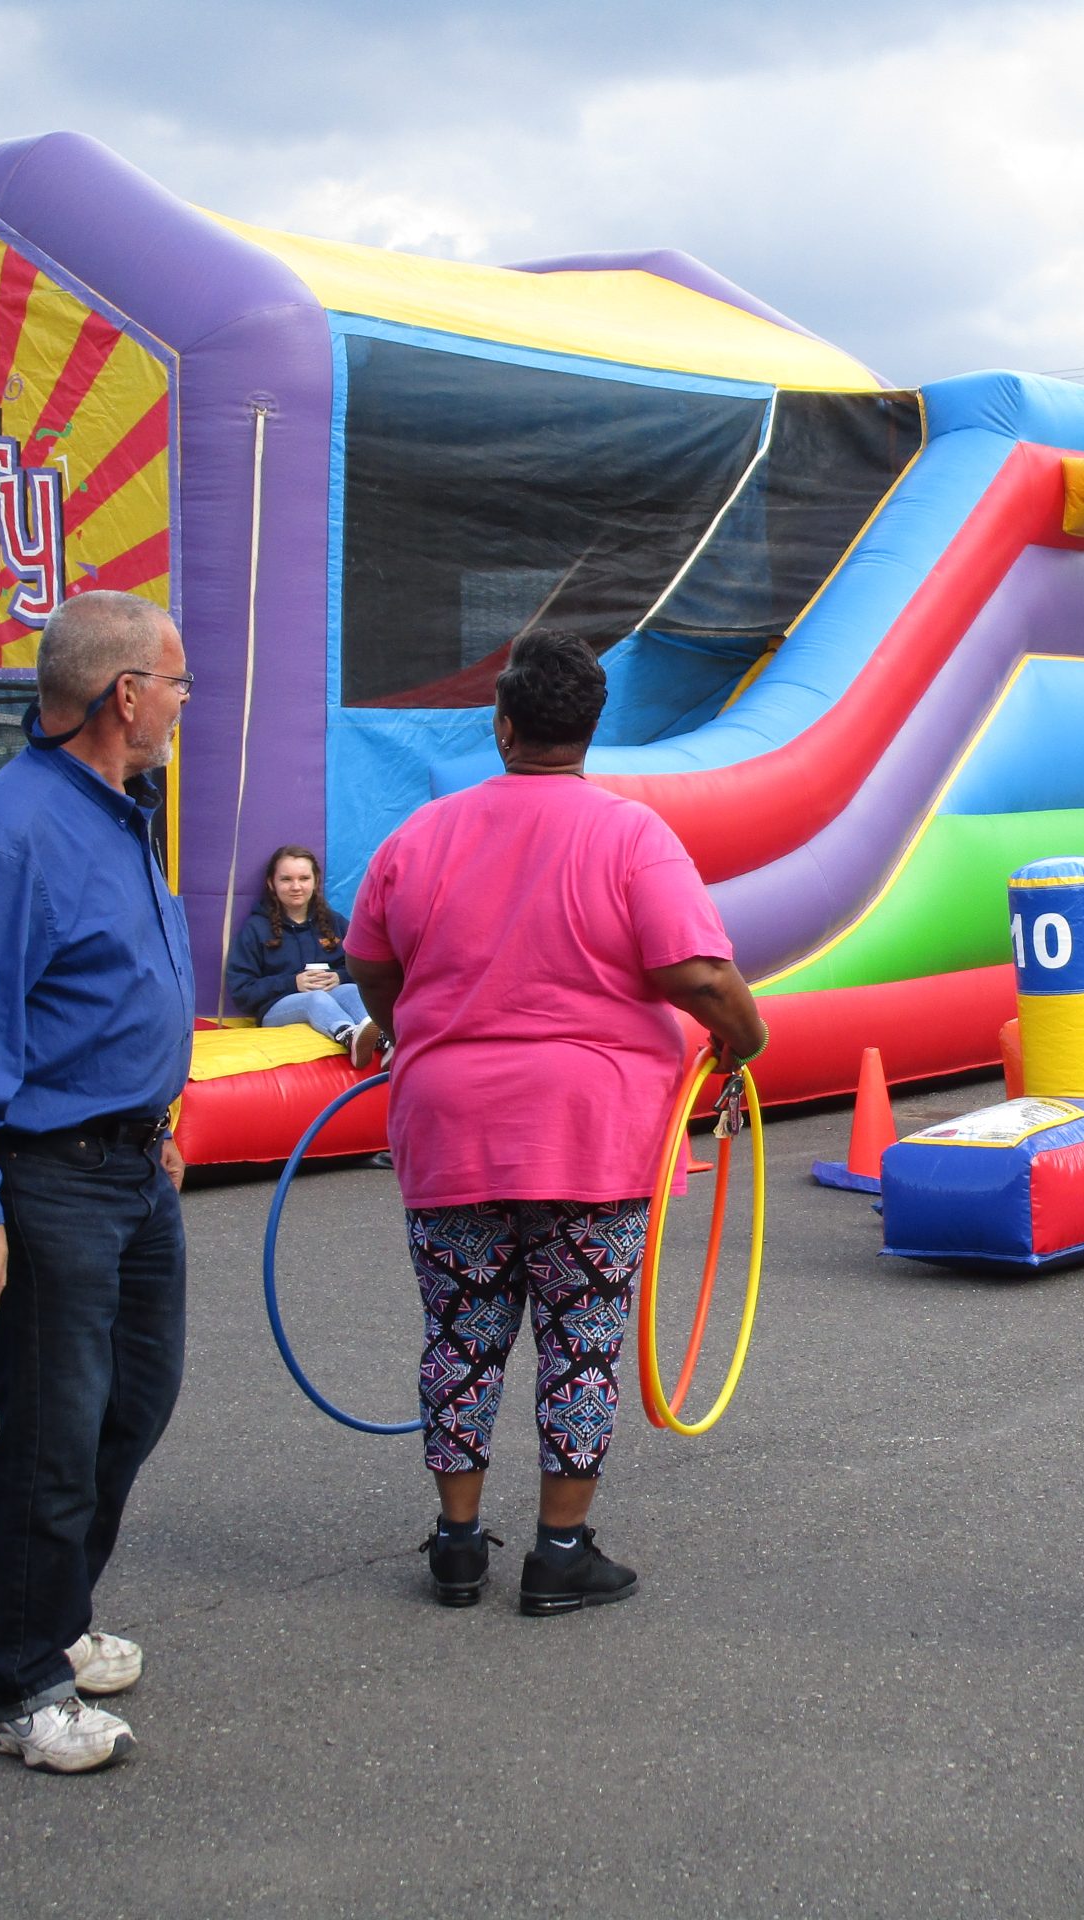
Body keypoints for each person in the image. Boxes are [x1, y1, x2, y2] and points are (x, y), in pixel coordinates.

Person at [346, 633, 765, 1616]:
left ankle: (457, 1548)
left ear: (502, 725)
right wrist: (742, 1041)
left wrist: (403, 1018)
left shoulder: (423, 834)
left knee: (460, 1333)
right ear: (592, 729)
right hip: (590, 1135)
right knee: (579, 1340)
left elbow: (372, 958)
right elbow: (695, 973)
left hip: (452, 1130)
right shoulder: (630, 836)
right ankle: (559, 1552)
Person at [0, 590, 195, 1774]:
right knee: (54, 1430)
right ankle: (23, 1682)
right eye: (173, 685)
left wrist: (150, 1111)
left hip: (129, 1162)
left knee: (134, 1403)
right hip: (46, 1179)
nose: (179, 704)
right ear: (125, 695)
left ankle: (27, 1605)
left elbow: (107, 986)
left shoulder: (117, 809)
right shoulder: (15, 829)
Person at [223, 845, 379, 1064]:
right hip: (277, 1009)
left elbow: (366, 967)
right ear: (271, 883)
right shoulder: (256, 929)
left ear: (315, 881)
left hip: (331, 998)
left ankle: (382, 1039)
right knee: (315, 998)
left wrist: (339, 977)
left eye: (304, 878)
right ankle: (349, 1036)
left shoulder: (334, 922)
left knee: (350, 989)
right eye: (286, 879)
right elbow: (242, 991)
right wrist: (292, 983)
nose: (296, 887)